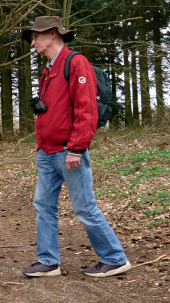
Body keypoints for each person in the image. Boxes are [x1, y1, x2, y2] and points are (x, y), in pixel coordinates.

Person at [19, 16, 131, 278]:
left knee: (84, 206)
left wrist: (77, 148)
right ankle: (48, 261)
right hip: (47, 152)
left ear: (54, 33)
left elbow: (87, 108)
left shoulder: (76, 62)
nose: (32, 41)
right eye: (32, 37)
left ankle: (115, 258)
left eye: (36, 36)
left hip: (69, 152)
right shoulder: (48, 70)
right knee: (43, 205)